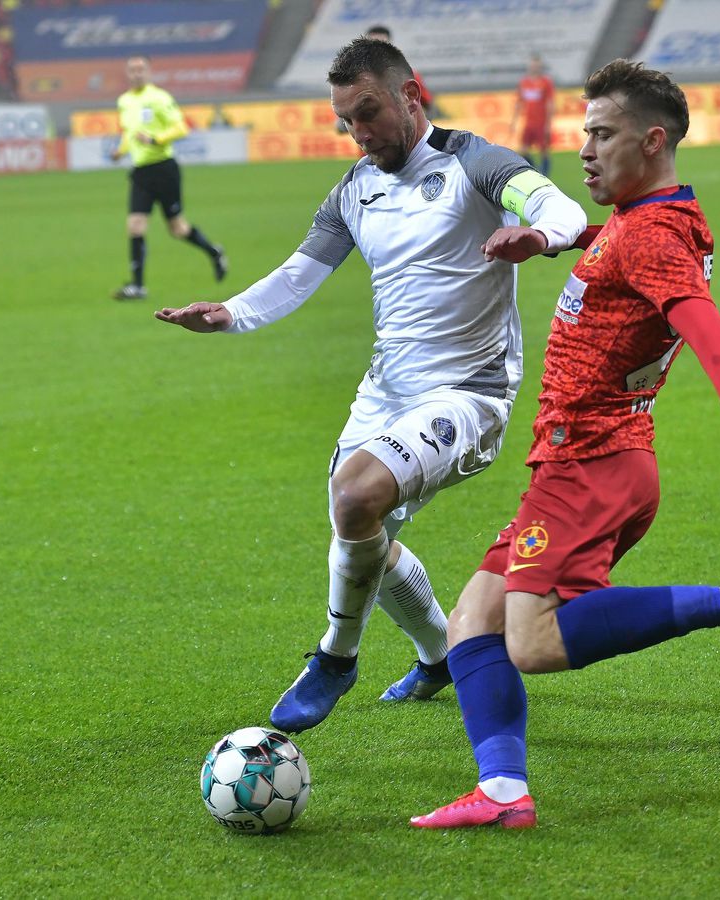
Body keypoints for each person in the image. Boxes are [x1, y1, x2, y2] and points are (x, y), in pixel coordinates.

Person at [411, 59, 720, 831]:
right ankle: (503, 792)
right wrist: (541, 238)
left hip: (591, 463)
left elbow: (692, 309)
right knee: (472, 618)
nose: (585, 149)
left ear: (651, 141)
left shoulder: (652, 237)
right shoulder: (649, 220)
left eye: (601, 134)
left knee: (532, 642)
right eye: (584, 133)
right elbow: (602, 243)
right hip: (586, 459)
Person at [155, 37, 586, 732]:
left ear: (409, 94)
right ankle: (440, 653)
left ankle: (335, 657)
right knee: (361, 528)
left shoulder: (471, 162)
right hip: (385, 391)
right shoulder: (355, 187)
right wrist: (229, 314)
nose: (360, 133)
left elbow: (557, 205)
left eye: (369, 112)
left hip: (468, 393)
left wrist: (539, 238)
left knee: (356, 494)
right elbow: (301, 272)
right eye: (346, 120)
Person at [110, 55, 227, 301]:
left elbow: (181, 127)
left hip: (164, 168)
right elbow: (129, 134)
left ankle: (214, 252)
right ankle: (138, 286)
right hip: (141, 172)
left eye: (141, 69)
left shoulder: (159, 98)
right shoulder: (124, 101)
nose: (137, 73)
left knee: (177, 228)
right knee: (135, 226)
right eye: (132, 70)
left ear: (149, 72)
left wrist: (156, 140)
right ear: (127, 73)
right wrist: (120, 152)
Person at [366, 25, 437, 118]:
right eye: (373, 45)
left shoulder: (407, 75)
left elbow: (428, 106)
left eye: (382, 45)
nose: (377, 50)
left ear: (390, 45)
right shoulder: (353, 77)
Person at [509, 54, 555, 175]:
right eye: (533, 66)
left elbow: (550, 104)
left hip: (541, 122)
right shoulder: (524, 82)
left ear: (540, 67)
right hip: (528, 123)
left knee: (544, 151)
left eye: (537, 66)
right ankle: (536, 171)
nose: (535, 68)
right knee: (523, 150)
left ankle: (545, 176)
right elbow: (519, 103)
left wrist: (548, 124)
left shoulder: (546, 82)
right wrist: (513, 122)